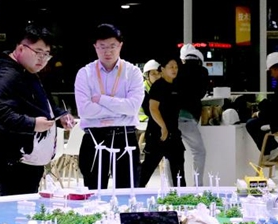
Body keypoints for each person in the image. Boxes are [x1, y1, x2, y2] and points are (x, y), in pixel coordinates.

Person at [0, 25, 75, 196]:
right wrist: (32, 124)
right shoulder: (5, 74)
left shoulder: (27, 71)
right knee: (17, 207)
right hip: (13, 160)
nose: (42, 59)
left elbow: (40, 105)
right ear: (20, 48)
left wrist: (60, 115)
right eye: (38, 52)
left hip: (27, 159)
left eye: (46, 54)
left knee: (26, 204)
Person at [75, 24, 144, 190]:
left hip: (125, 136)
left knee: (127, 192)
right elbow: (85, 111)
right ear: (95, 47)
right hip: (94, 136)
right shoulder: (85, 73)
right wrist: (120, 110)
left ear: (120, 45)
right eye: (102, 46)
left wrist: (101, 99)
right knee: (93, 192)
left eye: (112, 46)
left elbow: (133, 108)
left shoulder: (133, 72)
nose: (108, 51)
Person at [139, 57, 185, 187]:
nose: (174, 70)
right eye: (171, 67)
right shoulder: (158, 87)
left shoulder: (176, 85)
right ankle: (134, 193)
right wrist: (163, 127)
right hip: (158, 134)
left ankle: (181, 195)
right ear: (163, 69)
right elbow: (153, 109)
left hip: (173, 133)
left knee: (179, 172)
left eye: (176, 67)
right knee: (148, 168)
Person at [175, 44, 209, 185]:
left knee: (172, 153)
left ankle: (173, 187)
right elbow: (201, 93)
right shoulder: (203, 71)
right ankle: (197, 186)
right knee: (199, 152)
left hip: (172, 116)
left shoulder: (177, 69)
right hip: (188, 117)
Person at [246, 52, 278, 161]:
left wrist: (260, 113)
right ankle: (273, 149)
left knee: (251, 124)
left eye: (271, 71)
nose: (271, 75)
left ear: (277, 69)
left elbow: (276, 108)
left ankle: (272, 150)